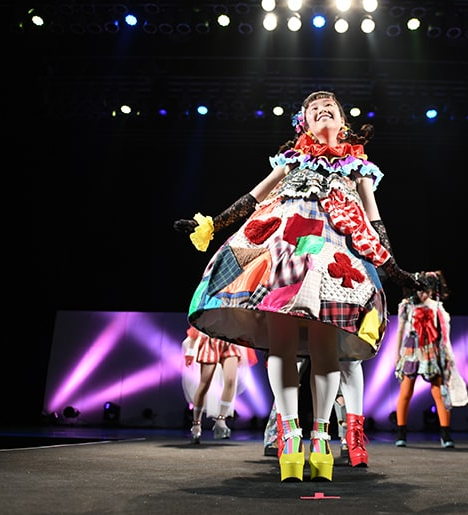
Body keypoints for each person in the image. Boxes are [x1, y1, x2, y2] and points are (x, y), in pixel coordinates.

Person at [174, 90, 420, 481]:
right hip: (284, 248)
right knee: (282, 342)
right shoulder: (292, 160)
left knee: (325, 345)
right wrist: (213, 224)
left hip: (334, 253)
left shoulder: (358, 166)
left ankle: (320, 437)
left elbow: (373, 219)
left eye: (330, 108)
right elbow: (253, 198)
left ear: (342, 122)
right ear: (303, 122)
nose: (322, 111)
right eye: (313, 109)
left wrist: (393, 268)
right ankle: (290, 434)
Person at [393, 270, 468, 448]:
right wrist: (396, 354)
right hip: (411, 350)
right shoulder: (407, 305)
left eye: (426, 290)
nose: (423, 294)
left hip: (432, 351)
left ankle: (445, 434)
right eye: (420, 290)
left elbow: (445, 335)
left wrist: (448, 356)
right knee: (405, 391)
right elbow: (400, 330)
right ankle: (401, 433)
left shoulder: (436, 307)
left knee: (439, 392)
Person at [182, 325, 257, 444]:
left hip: (230, 340)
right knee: (204, 384)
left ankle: (221, 419)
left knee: (231, 380)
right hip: (210, 340)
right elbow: (196, 322)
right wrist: (190, 350)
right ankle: (196, 424)